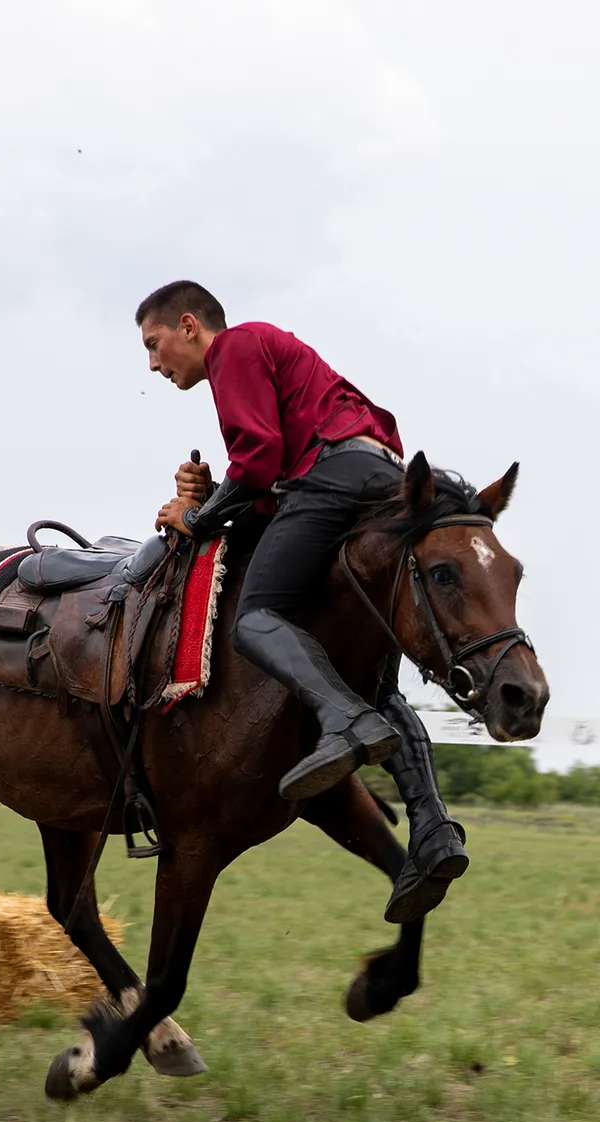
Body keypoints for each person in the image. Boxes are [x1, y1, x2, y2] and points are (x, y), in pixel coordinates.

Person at [136, 279, 467, 922]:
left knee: (256, 618)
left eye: (154, 344)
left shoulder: (233, 348)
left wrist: (194, 518)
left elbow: (259, 462)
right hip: (377, 479)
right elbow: (267, 498)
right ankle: (432, 828)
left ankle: (341, 720)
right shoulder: (268, 356)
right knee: (375, 685)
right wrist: (212, 495)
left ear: (189, 326)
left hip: (332, 477)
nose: (153, 364)